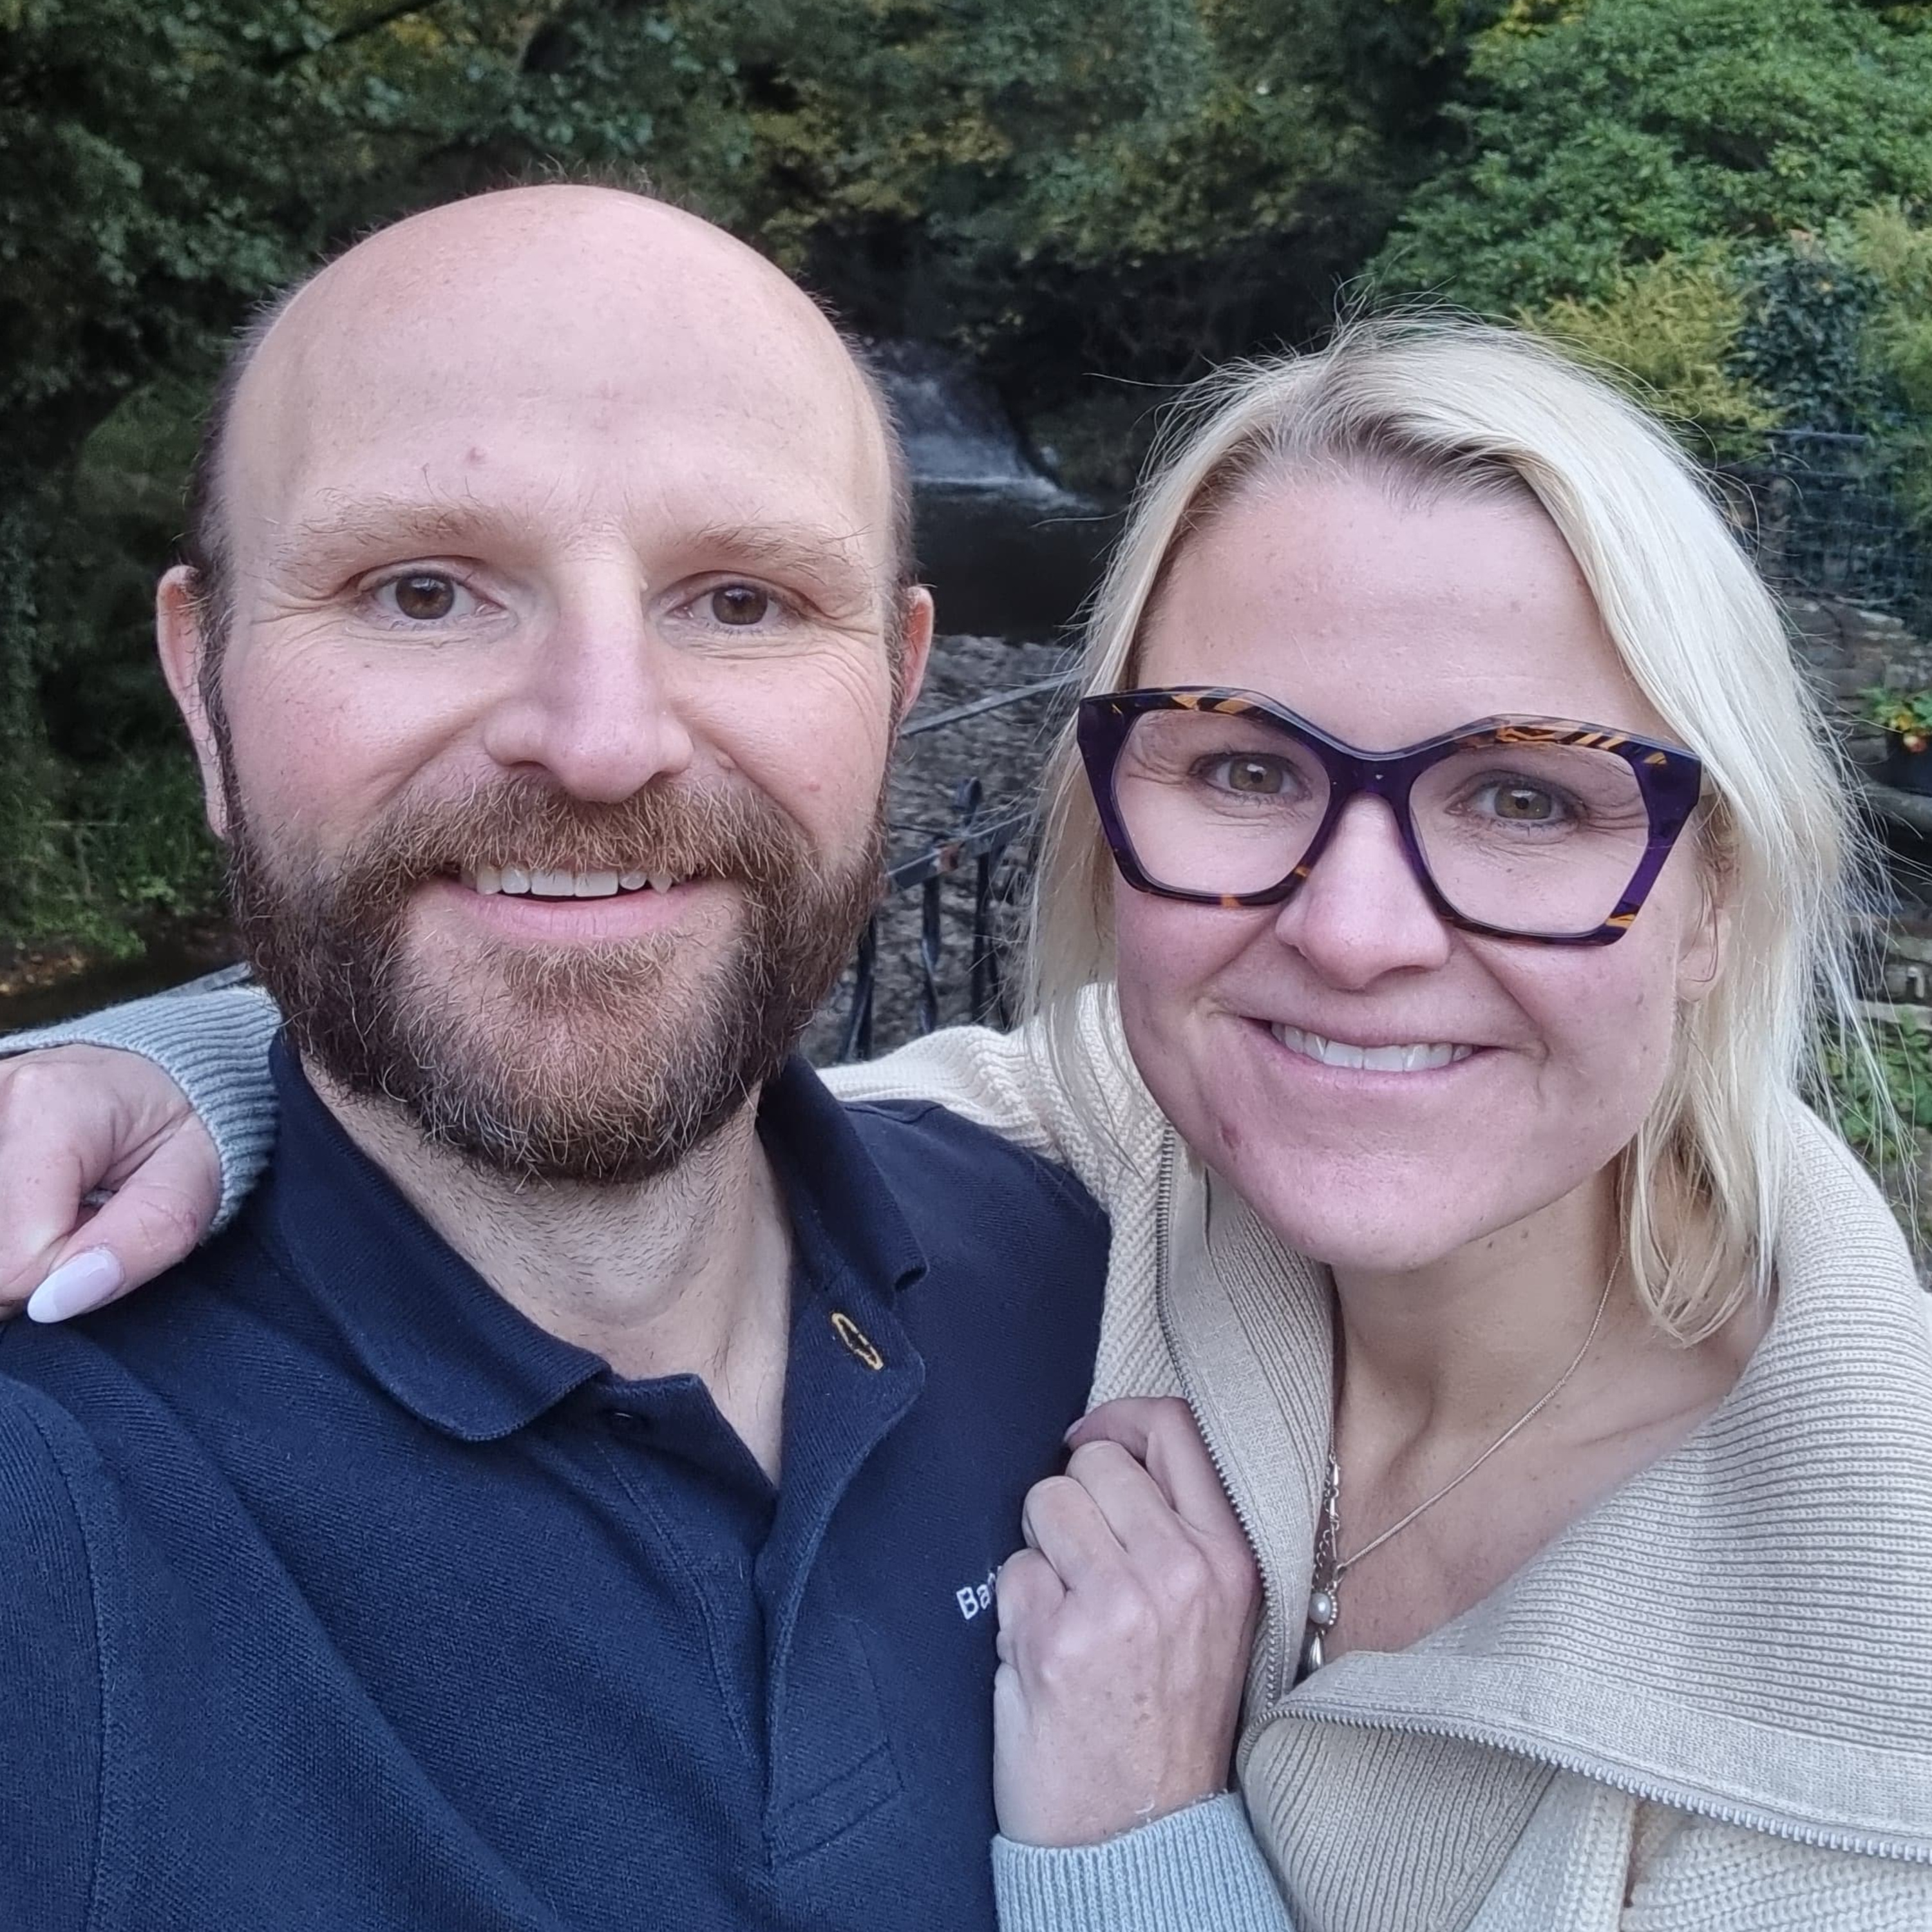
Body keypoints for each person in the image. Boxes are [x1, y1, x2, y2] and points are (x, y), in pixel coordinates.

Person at [13, 321, 1932, 1924]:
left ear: (1713, 900)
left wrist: (1138, 1850)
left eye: (1529, 800)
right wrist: (187, 1057)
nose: (1354, 937)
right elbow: (624, 1029)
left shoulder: (1863, 1728)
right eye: (1248, 769)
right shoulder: (1138, 1137)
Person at [0, 182, 1281, 1931]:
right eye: (425, 590)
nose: (602, 741)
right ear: (203, 683)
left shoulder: (1099, 1280)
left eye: (741, 603)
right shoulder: (49, 1512)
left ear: (895, 690)